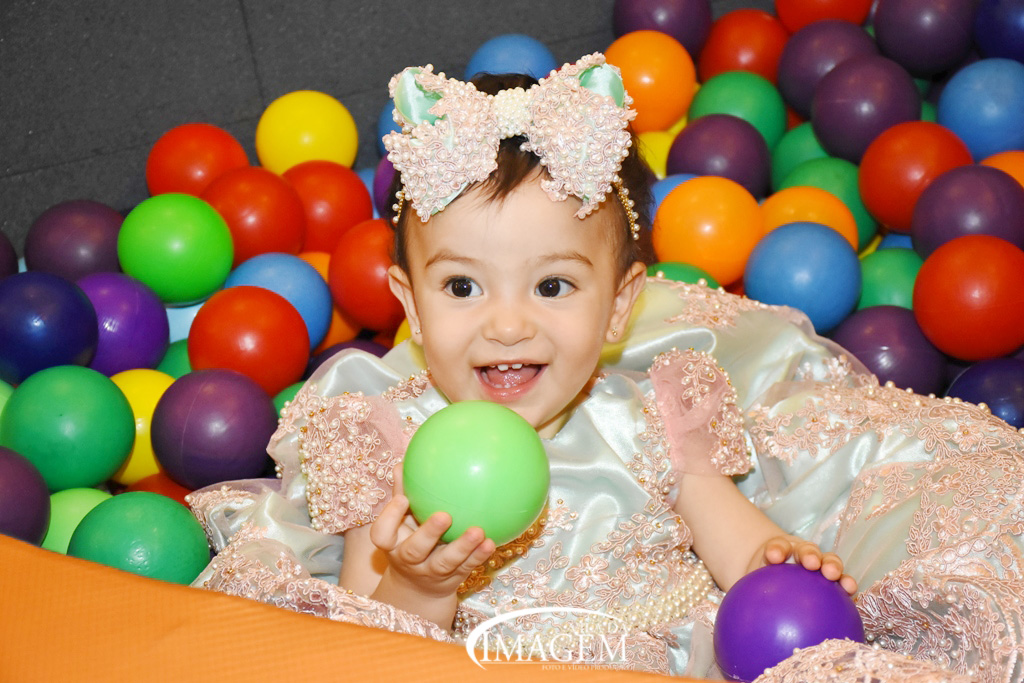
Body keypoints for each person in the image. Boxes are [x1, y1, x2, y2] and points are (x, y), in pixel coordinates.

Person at [188, 55, 1020, 681]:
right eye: (462, 286)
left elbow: (734, 540)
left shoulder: (656, 414)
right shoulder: (381, 439)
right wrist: (420, 579)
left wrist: (784, 563)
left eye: (552, 286)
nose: (506, 323)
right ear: (408, 302)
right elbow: (367, 641)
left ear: (620, 306)